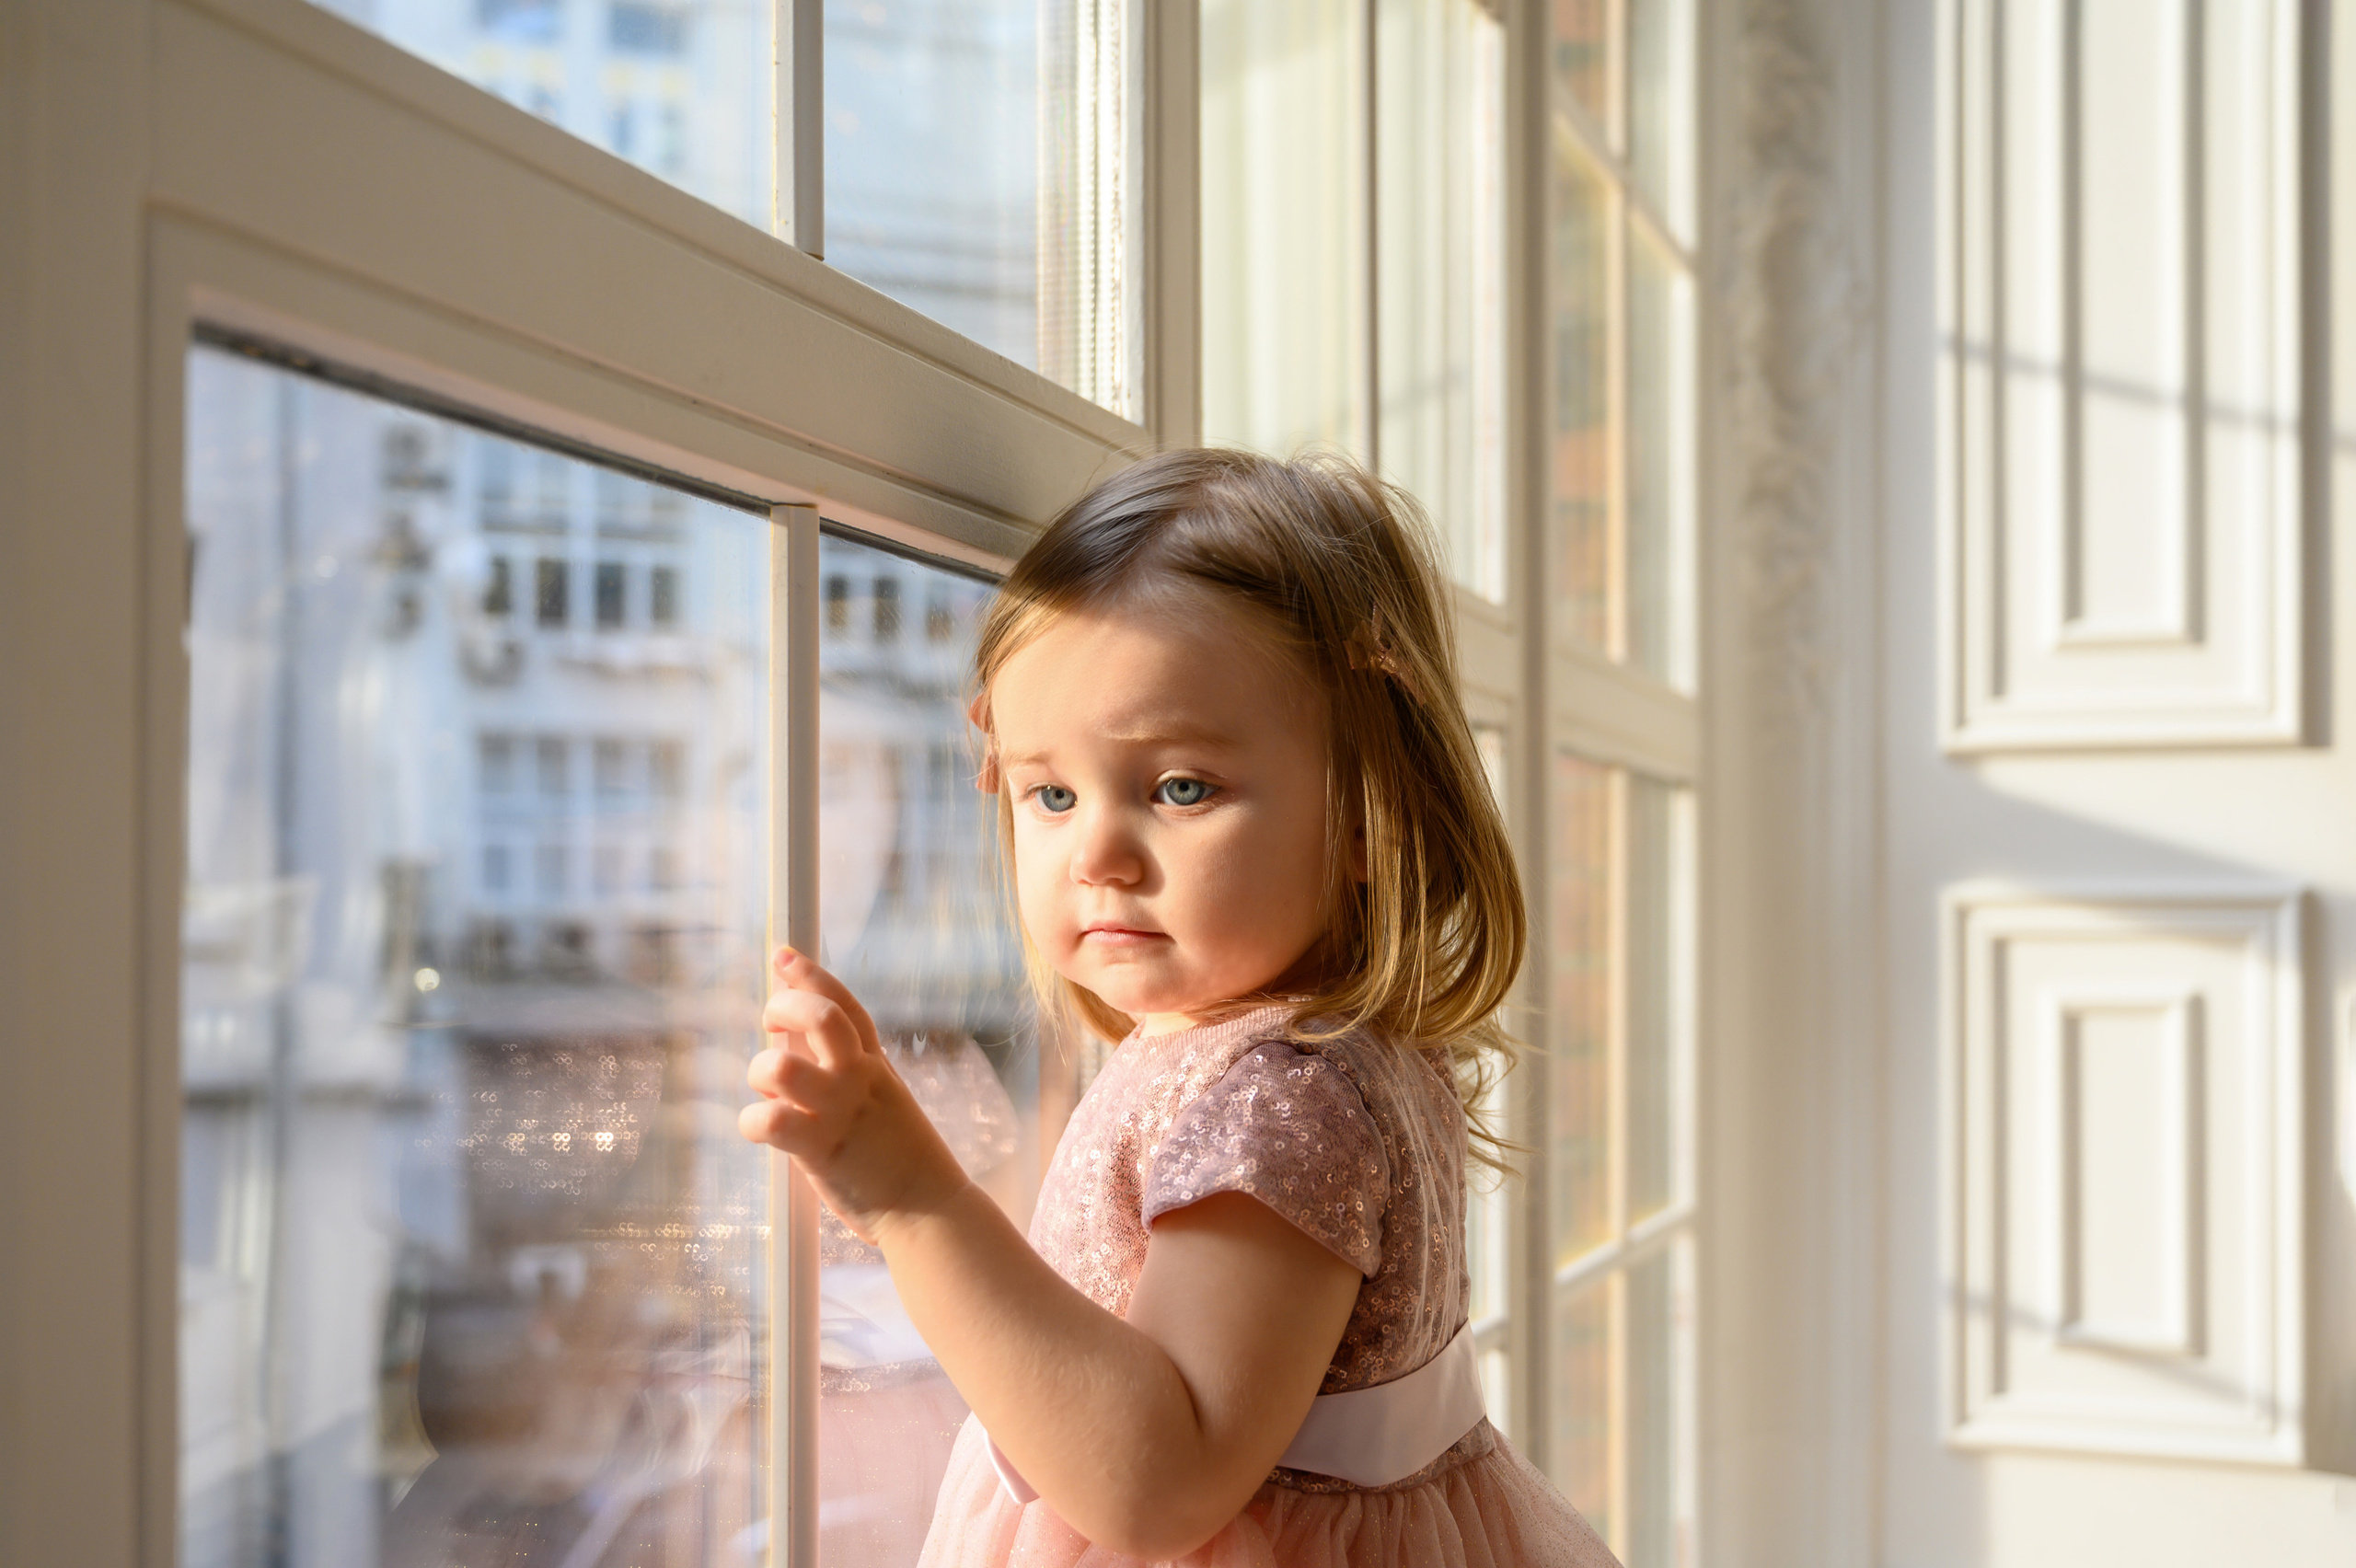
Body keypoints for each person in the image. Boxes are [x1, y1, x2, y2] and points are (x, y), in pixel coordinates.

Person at [740, 449, 1618, 1566]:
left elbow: (1156, 1485)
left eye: (1179, 787)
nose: (1095, 853)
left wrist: (910, 1197)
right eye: (1050, 791)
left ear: (1365, 812)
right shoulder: (1286, 1045)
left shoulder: (1281, 1097)